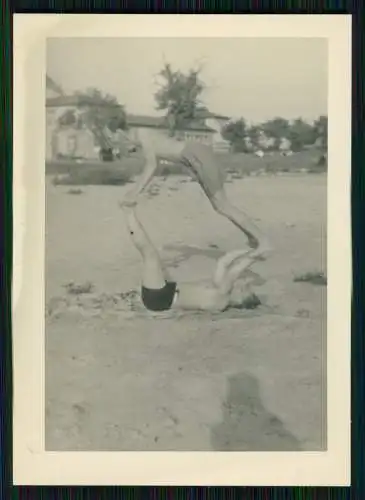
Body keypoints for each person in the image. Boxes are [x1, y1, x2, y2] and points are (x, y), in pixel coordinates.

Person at [120, 137, 272, 313]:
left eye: (245, 291)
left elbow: (233, 270)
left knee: (150, 254)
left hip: (161, 297)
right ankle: (128, 212)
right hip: (163, 297)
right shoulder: (220, 294)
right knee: (152, 258)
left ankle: (128, 211)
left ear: (241, 300)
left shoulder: (223, 296)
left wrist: (255, 254)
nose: (243, 286)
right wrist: (248, 251)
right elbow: (224, 263)